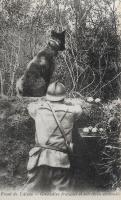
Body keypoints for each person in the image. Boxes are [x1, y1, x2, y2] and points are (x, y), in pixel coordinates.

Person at [25, 81, 83, 192]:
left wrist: (45, 102)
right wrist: (67, 102)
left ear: (48, 97)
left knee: (31, 193)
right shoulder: (71, 111)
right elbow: (79, 108)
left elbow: (31, 105)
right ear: (63, 97)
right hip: (59, 161)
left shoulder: (38, 110)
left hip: (38, 160)